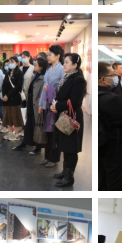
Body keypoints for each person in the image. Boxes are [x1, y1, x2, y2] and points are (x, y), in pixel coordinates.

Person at [48, 53, 86, 186]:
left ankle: (69, 177)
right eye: (64, 62)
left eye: (67, 62)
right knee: (65, 145)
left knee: (71, 147)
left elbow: (75, 101)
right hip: (64, 114)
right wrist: (55, 105)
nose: (64, 65)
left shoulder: (78, 80)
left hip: (72, 116)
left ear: (75, 65)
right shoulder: (67, 77)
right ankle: (65, 171)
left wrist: (58, 106)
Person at [98, 62, 122, 191]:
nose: (115, 77)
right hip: (114, 149)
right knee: (116, 183)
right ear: (103, 79)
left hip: (100, 146)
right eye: (112, 75)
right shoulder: (111, 99)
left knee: (103, 181)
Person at [13, 57, 47, 154]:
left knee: (37, 126)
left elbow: (44, 91)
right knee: (28, 125)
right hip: (31, 102)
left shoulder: (44, 77)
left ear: (41, 67)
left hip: (37, 105)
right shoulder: (35, 75)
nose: (34, 65)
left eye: (36, 64)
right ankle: (25, 143)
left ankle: (38, 147)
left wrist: (41, 99)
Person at [39, 45, 65, 168]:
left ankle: (54, 158)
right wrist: (41, 104)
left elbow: (62, 88)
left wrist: (49, 89)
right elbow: (44, 87)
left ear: (58, 55)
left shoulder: (61, 69)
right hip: (47, 103)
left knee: (54, 133)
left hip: (55, 104)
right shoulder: (49, 68)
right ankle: (48, 156)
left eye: (50, 54)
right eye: (48, 54)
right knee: (48, 132)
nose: (48, 57)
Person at [2, 56, 25, 142]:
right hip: (6, 99)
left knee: (16, 116)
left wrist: (8, 96)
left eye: (12, 62)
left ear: (17, 63)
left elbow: (18, 87)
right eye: (9, 62)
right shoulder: (7, 73)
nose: (10, 63)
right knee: (8, 116)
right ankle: (10, 132)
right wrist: (4, 95)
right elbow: (4, 85)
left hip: (14, 98)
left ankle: (17, 133)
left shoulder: (19, 73)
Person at [20, 51, 35, 121]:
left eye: (25, 57)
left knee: (28, 111)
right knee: (21, 112)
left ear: (29, 57)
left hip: (29, 93)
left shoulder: (33, 68)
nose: (23, 59)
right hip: (20, 93)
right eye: (22, 57)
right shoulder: (20, 68)